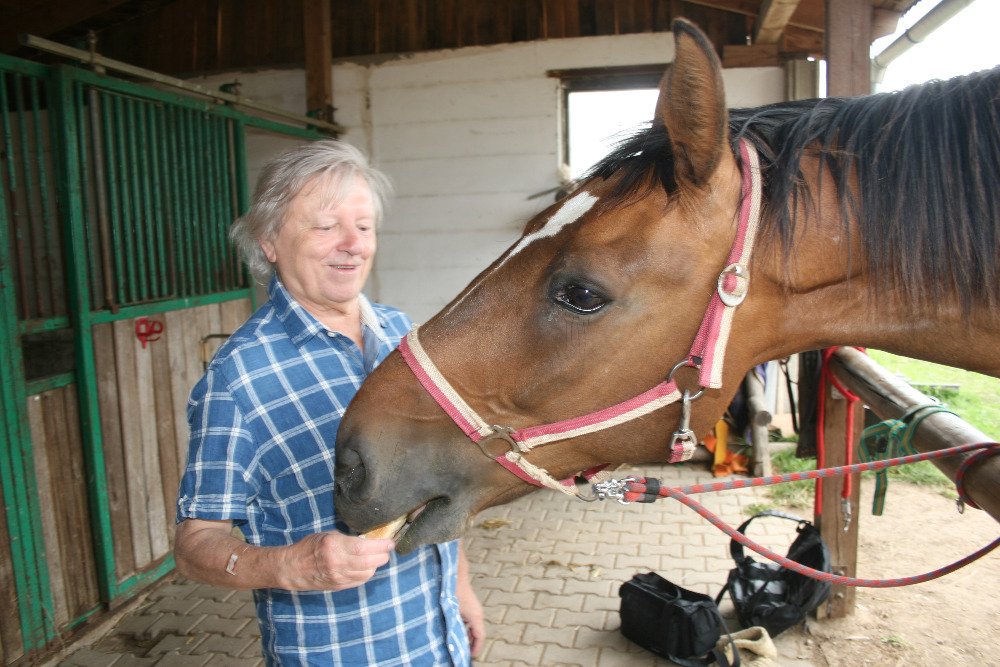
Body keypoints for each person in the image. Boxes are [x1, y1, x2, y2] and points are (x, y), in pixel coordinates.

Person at [174, 140, 485, 665]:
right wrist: (289, 566)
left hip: (438, 638)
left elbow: (438, 487)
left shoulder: (400, 335)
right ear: (268, 240)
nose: (352, 244)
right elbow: (195, 544)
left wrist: (460, 590)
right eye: (325, 226)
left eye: (364, 227)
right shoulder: (239, 379)